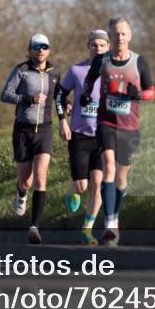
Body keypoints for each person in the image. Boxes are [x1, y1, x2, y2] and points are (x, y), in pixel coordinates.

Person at [81, 17, 155, 246]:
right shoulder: (102, 60)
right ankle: (110, 223)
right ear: (110, 37)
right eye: (115, 34)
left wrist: (138, 95)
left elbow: (151, 91)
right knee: (109, 168)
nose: (119, 38)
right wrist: (85, 95)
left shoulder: (139, 62)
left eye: (123, 34)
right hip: (106, 123)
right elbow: (88, 82)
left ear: (130, 36)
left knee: (122, 178)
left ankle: (115, 214)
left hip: (130, 126)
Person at [0, 34, 62, 245]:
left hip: (44, 130)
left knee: (40, 176)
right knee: (25, 180)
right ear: (30, 50)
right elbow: (5, 94)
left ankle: (34, 226)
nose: (40, 51)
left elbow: (59, 96)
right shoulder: (21, 70)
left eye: (44, 47)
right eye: (36, 47)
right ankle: (20, 192)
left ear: (49, 50)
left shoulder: (55, 73)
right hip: (23, 131)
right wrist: (28, 99)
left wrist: (68, 105)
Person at [56, 29, 110, 244]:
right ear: (88, 46)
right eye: (93, 45)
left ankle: (87, 230)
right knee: (82, 186)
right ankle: (73, 191)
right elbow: (59, 95)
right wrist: (62, 121)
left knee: (98, 183)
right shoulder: (76, 71)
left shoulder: (113, 73)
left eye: (102, 45)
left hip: (103, 136)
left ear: (108, 48)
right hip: (79, 135)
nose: (97, 49)